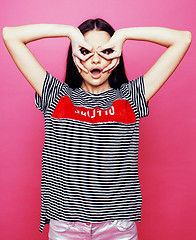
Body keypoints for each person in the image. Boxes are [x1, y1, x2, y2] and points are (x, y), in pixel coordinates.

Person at [2, 18, 191, 240]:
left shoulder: (131, 97)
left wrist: (123, 35)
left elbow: (183, 38)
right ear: (74, 55)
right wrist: (70, 33)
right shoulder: (56, 95)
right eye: (86, 51)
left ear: (117, 55)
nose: (95, 59)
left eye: (105, 51)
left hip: (117, 225)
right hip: (65, 225)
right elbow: (10, 35)